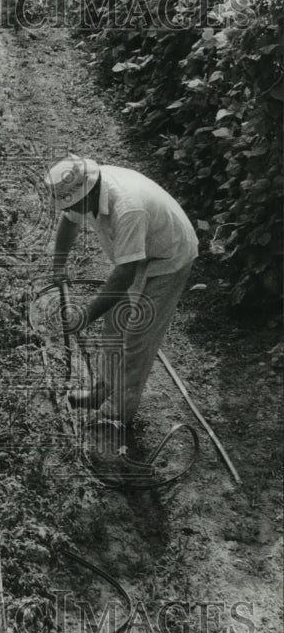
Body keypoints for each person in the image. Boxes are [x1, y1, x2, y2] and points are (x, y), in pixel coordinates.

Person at [44, 155, 198, 442]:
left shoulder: (127, 208)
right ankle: (100, 392)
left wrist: (85, 316)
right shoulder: (88, 190)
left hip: (169, 257)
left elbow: (124, 273)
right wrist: (58, 265)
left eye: (72, 203)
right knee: (115, 325)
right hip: (143, 250)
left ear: (86, 193)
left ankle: (117, 415)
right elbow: (70, 221)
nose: (70, 209)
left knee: (137, 339)